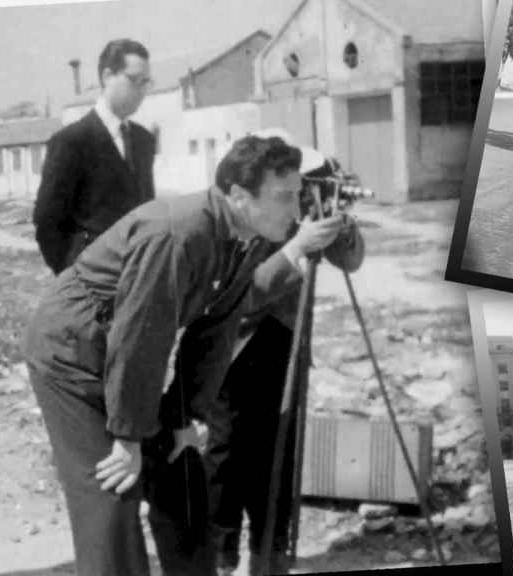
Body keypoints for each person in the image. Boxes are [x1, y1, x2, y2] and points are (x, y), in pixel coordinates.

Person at [22, 135, 349, 576]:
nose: (295, 211)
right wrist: (128, 436)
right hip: (69, 353)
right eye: (284, 197)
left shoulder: (244, 234)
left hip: (119, 352)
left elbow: (216, 329)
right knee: (111, 498)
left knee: (183, 476)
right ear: (238, 196)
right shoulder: (180, 232)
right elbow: (142, 335)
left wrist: (182, 419)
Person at [205, 154, 365, 576]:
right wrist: (298, 245)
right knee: (226, 456)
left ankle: (269, 554)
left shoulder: (306, 212)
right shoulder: (250, 211)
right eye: (293, 189)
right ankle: (220, 556)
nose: (298, 196)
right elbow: (246, 294)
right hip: (234, 348)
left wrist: (338, 222)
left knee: (278, 453)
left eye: (307, 188)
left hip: (285, 345)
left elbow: (349, 261)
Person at [33, 38, 156, 275]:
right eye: (133, 80)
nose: (141, 91)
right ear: (107, 76)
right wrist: (73, 277)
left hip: (138, 279)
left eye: (145, 83)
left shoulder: (144, 141)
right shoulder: (71, 142)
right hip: (91, 283)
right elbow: (47, 221)